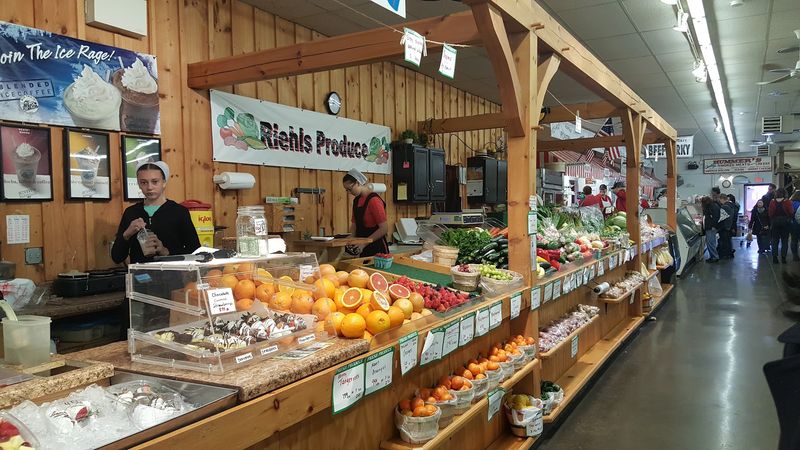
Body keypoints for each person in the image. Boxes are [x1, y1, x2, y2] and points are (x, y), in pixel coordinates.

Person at [112, 162, 200, 264]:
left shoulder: (179, 212)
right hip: (140, 277)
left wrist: (165, 251)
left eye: (155, 181)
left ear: (164, 182)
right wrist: (126, 234)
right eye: (144, 182)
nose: (149, 187)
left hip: (173, 276)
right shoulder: (131, 213)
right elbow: (117, 257)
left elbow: (196, 253)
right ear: (139, 184)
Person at [343, 168, 389, 257]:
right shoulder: (357, 201)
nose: (349, 192)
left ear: (358, 183)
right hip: (363, 246)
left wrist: (364, 243)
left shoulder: (374, 201)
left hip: (377, 248)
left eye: (350, 189)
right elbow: (354, 224)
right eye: (346, 190)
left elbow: (384, 229)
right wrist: (350, 238)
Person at [768, 187, 793, 263]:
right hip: (785, 224)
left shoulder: (772, 202)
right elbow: (791, 212)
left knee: (775, 241)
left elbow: (770, 213)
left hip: (775, 223)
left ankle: (775, 258)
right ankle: (783, 258)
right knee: (785, 241)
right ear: (785, 193)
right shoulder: (788, 202)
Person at [701, 196, 720, 263]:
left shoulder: (711, 207)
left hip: (710, 227)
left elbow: (715, 217)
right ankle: (713, 256)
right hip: (711, 227)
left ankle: (714, 257)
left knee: (710, 242)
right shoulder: (714, 205)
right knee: (712, 242)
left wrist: (713, 226)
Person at [790, 191, 800, 261]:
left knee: (794, 240)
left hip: (792, 224)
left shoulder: (790, 203)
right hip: (798, 223)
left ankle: (795, 255)